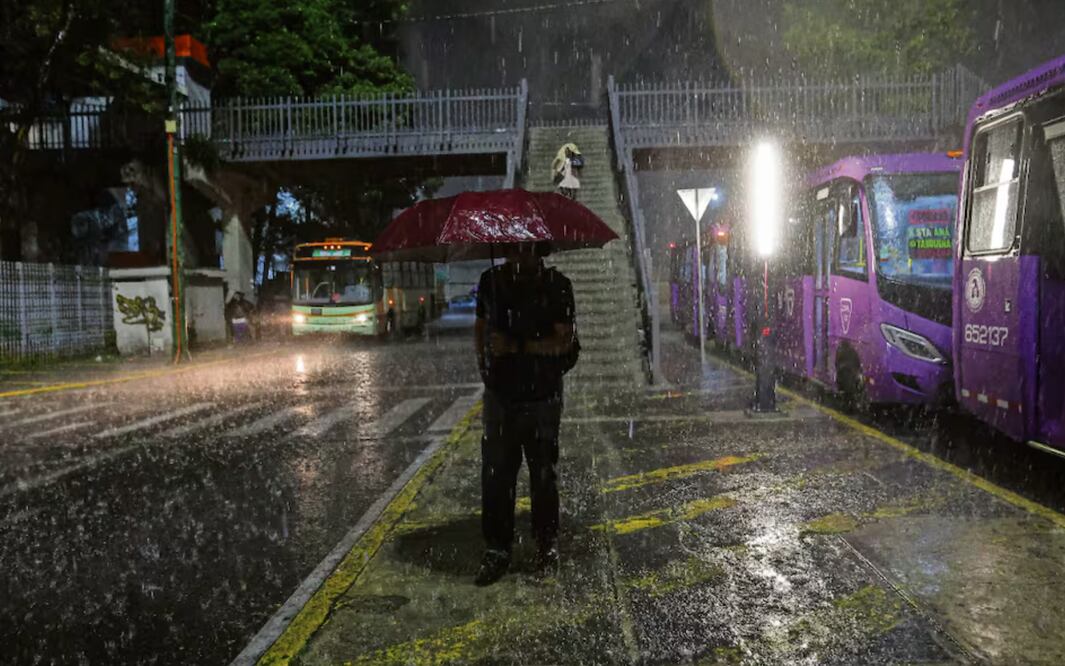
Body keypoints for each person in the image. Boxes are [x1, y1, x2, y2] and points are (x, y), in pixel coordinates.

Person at [474, 241, 578, 586]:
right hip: (501, 397)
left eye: (527, 250)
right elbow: (480, 329)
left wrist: (518, 346)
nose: (519, 257)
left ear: (540, 251)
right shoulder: (491, 282)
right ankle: (497, 549)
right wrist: (485, 367)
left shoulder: (557, 287)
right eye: (514, 250)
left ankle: (546, 545)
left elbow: (564, 343)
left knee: (543, 475)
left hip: (542, 396)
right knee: (496, 476)